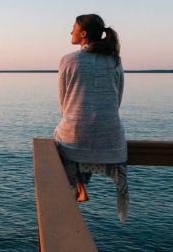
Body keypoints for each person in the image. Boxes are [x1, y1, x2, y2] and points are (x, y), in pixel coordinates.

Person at [53, 14, 128, 223]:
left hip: (75, 138)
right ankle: (81, 184)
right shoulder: (114, 61)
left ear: (83, 34)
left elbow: (63, 104)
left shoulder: (69, 60)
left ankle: (77, 185)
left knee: (62, 138)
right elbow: (117, 100)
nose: (70, 32)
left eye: (73, 28)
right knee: (81, 139)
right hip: (111, 139)